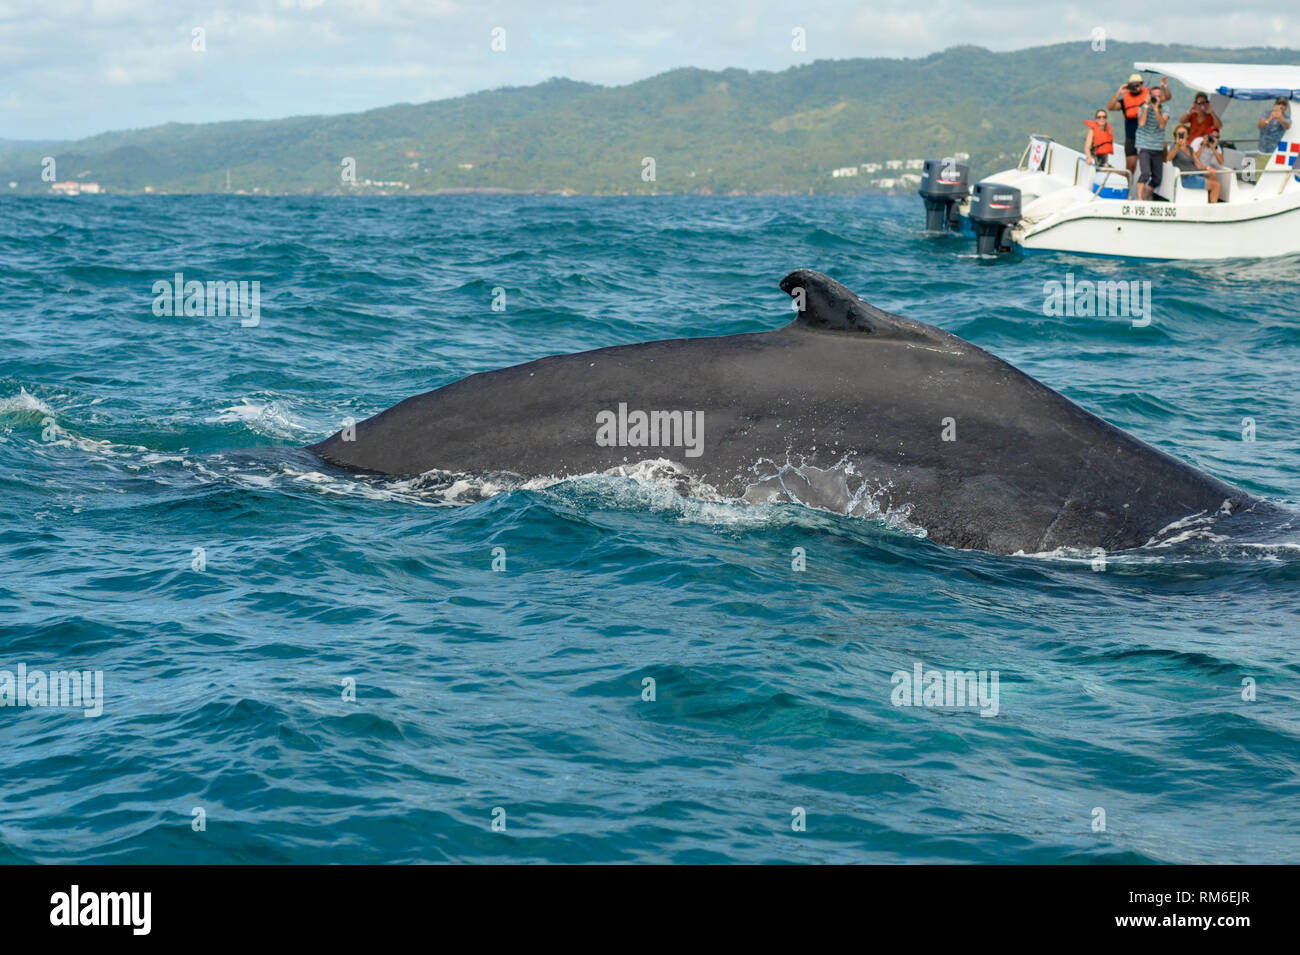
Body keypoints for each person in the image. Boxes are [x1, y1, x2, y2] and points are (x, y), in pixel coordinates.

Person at [1109, 72, 1171, 196]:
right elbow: (1110, 107)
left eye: (1137, 85)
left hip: (1150, 139)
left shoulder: (1150, 98)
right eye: (1132, 85)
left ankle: (1150, 193)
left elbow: (1166, 98)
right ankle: (1126, 194)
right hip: (1132, 136)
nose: (1135, 88)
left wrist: (1163, 86)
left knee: (1154, 167)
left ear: (1142, 84)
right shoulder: (1126, 100)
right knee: (1131, 168)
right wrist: (1119, 92)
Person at [1167, 124, 1219, 202]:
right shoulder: (1174, 147)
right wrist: (1177, 146)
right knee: (1216, 185)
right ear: (1175, 135)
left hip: (1194, 173)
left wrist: (1208, 169)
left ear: (1187, 135)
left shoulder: (1190, 148)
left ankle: (1209, 201)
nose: (1181, 135)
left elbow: (1197, 164)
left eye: (1183, 133)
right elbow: (1168, 158)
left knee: (1212, 175)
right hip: (1186, 177)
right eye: (1179, 133)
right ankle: (1212, 208)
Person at [1135, 88, 1169, 200]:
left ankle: (1144, 199)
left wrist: (1156, 109)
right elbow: (1141, 123)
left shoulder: (1165, 108)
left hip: (1157, 147)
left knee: (1157, 178)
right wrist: (1146, 105)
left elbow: (1162, 125)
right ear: (1149, 96)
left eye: (1159, 96)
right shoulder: (1143, 108)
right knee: (1145, 173)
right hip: (1144, 145)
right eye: (1154, 96)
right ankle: (1139, 199)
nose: (1156, 98)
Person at [1256, 97, 1292, 169]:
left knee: (1275, 174)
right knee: (1259, 174)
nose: (1281, 106)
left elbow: (1287, 126)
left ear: (1286, 108)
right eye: (1279, 104)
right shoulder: (1266, 114)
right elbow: (1260, 125)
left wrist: (1281, 118)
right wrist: (1270, 119)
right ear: (1275, 105)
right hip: (1263, 151)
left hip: (1278, 153)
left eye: (1283, 104)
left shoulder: (1287, 118)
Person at [1195, 129, 1227, 202]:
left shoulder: (1216, 147)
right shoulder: (1198, 141)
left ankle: (1209, 199)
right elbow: (1194, 158)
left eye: (1217, 137)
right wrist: (1203, 145)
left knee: (1213, 173)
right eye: (1213, 136)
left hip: (1205, 169)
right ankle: (1210, 200)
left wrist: (1213, 148)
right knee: (1212, 174)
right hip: (1196, 166)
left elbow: (1221, 162)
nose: (1215, 139)